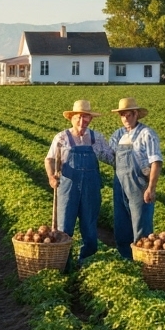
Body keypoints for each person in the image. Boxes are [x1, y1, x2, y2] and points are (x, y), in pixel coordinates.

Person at [45, 99, 114, 268]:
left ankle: (87, 261)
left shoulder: (96, 138)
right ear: (71, 118)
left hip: (91, 188)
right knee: (64, 226)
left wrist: (131, 166)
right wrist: (51, 177)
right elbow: (50, 159)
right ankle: (64, 262)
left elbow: (110, 157)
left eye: (86, 118)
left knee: (89, 225)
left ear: (90, 119)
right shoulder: (62, 137)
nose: (82, 121)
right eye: (78, 117)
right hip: (68, 187)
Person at [108, 97, 163, 259]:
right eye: (122, 115)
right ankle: (126, 259)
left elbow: (156, 162)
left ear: (136, 114)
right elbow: (109, 156)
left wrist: (151, 188)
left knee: (141, 227)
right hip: (120, 186)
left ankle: (144, 263)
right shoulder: (118, 135)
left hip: (139, 187)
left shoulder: (147, 134)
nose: (125, 118)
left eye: (129, 114)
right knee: (121, 226)